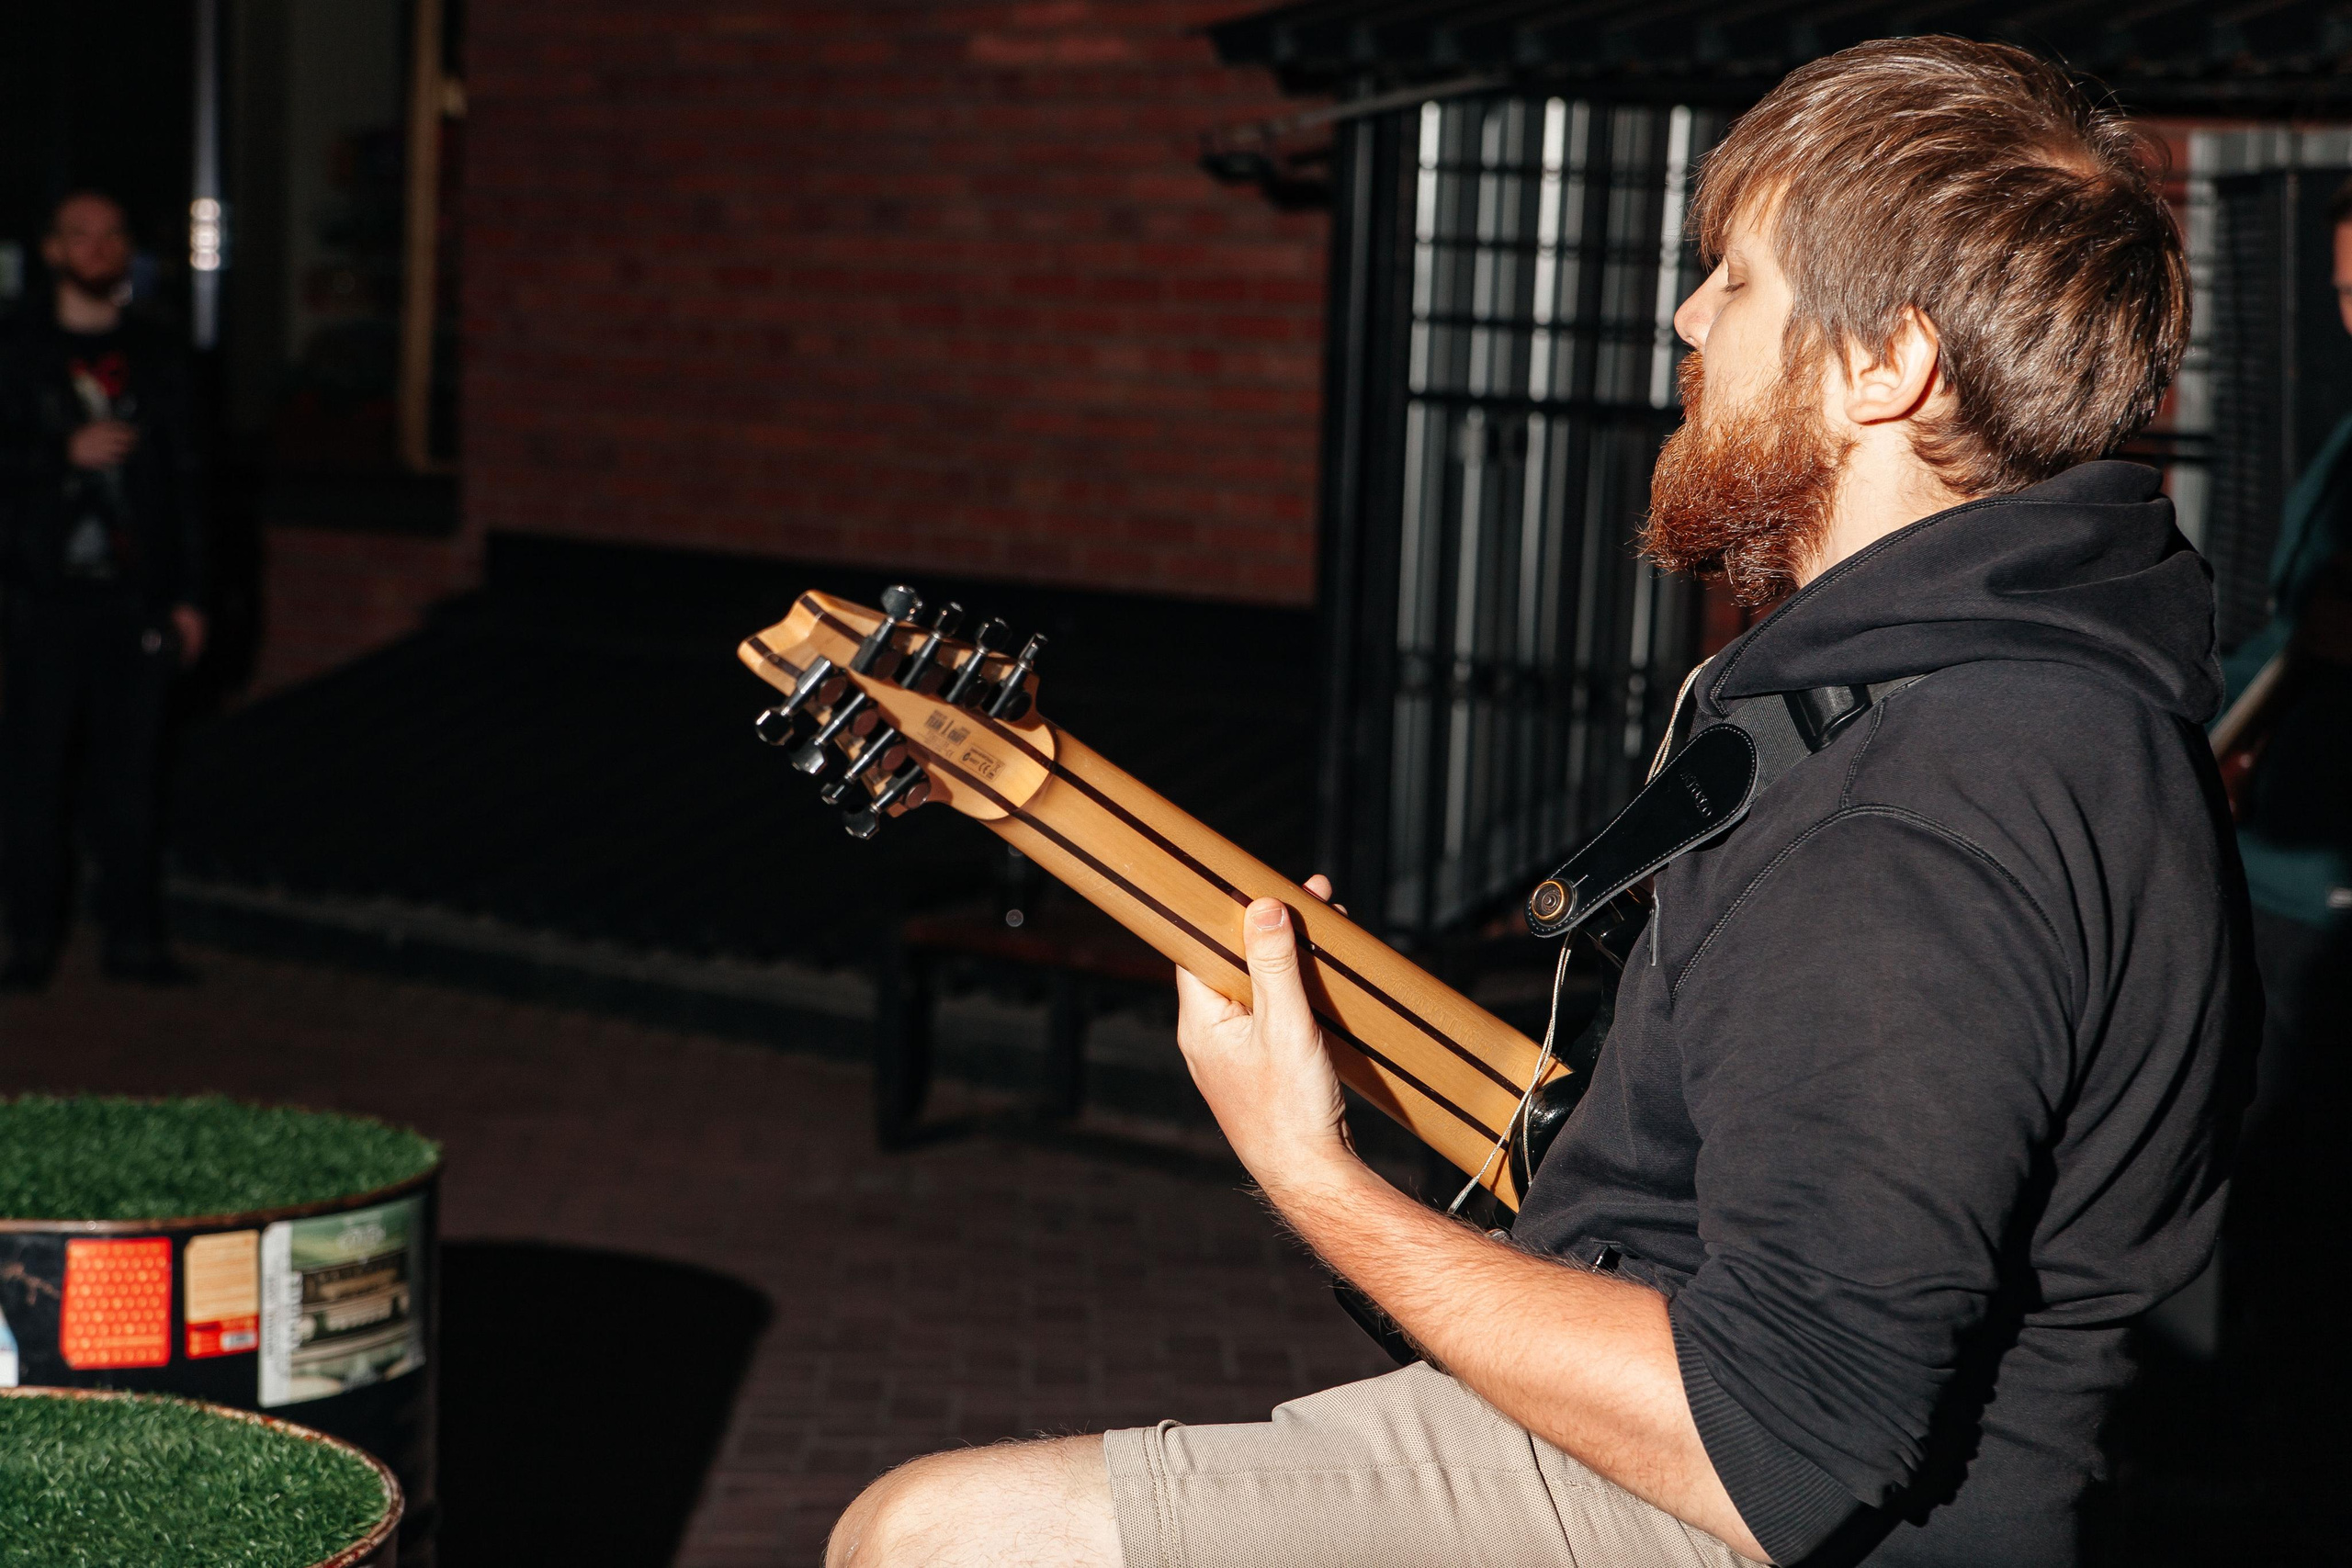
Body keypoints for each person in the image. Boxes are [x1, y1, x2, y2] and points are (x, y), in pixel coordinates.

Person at [829, 37, 2254, 1568]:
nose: (1687, 316)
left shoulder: (1924, 799)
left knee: (936, 1536)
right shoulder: (2000, 690)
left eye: (1739, 279)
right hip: (1720, 1396)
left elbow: (1779, 1439)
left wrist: (1312, 1173)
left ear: (1884, 366)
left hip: (1753, 1500)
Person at [0, 191, 207, 988]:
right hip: (44, 598)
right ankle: (29, 944)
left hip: (136, 598)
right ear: (51, 250)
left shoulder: (158, 355)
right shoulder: (16, 352)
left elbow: (189, 480)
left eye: (112, 235)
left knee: (133, 777)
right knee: (34, 777)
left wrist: (190, 595)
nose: (98, 248)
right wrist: (62, 453)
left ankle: (133, 940)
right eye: (80, 236)